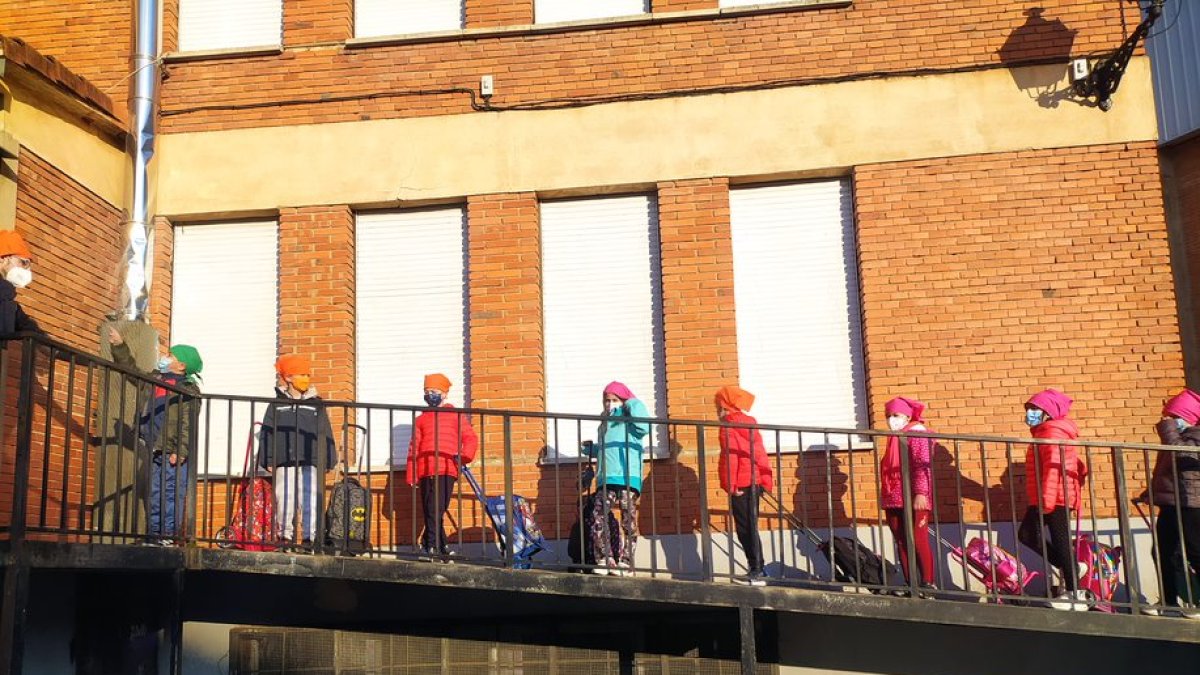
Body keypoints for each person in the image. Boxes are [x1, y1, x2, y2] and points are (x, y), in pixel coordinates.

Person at [110, 328, 202, 545]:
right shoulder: (155, 379)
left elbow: (188, 423)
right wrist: (119, 345)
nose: (165, 357)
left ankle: (168, 535)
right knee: (155, 491)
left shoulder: (187, 389)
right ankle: (154, 533)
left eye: (171, 355)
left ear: (182, 366)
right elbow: (131, 370)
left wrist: (181, 450)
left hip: (172, 449)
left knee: (171, 492)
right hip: (154, 445)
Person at [1017, 388, 1089, 611]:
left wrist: (1046, 501)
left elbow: (1053, 469)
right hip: (1049, 495)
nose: (1029, 413)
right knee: (1028, 534)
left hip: (1055, 496)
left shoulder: (1051, 432)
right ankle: (1072, 567)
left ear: (1048, 412)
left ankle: (1076, 595)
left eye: (1034, 409)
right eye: (1028, 409)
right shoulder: (1046, 431)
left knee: (1060, 540)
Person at [258, 354, 337, 550]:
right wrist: (267, 458)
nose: (306, 378)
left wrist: (329, 458)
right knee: (285, 498)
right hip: (285, 459)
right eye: (302, 374)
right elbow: (268, 431)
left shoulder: (316, 403)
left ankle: (310, 538)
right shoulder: (276, 404)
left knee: (310, 497)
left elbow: (326, 431)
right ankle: (285, 537)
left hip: (311, 459)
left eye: (307, 374)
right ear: (289, 377)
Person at [406, 373, 477, 558]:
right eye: (427, 391)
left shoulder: (455, 415)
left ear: (444, 394)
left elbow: (470, 438)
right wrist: (412, 474)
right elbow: (414, 448)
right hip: (425, 469)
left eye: (435, 391)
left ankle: (430, 545)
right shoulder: (420, 420)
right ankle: (440, 547)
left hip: (446, 468)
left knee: (436, 508)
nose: (431, 394)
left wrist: (463, 456)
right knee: (431, 509)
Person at [1143, 389, 1200, 618]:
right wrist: (1151, 491)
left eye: (1173, 415)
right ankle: (1168, 601)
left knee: (1196, 551)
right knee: (1162, 551)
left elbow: (1182, 455)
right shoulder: (1174, 437)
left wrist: (1169, 430)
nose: (1167, 420)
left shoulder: (1195, 435)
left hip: (1191, 503)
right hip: (1170, 502)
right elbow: (1166, 471)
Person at [583, 381, 649, 576]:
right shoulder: (603, 423)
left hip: (628, 476)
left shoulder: (631, 418)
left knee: (628, 520)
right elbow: (607, 449)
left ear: (623, 401)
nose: (610, 404)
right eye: (607, 400)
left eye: (615, 400)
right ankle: (605, 559)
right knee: (598, 515)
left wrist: (631, 402)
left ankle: (627, 563)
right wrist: (591, 450)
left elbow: (644, 426)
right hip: (607, 477)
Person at [715, 385, 773, 586]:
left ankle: (757, 570)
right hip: (754, 482)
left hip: (740, 484)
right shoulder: (749, 424)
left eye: (718, 406)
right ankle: (758, 569)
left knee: (744, 528)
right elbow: (760, 453)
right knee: (751, 526)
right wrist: (766, 480)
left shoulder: (728, 426)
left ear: (724, 407)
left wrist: (730, 485)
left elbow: (730, 458)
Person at [880, 396, 935, 597]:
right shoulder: (894, 438)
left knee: (918, 539)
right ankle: (911, 583)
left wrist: (921, 493)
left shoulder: (916, 434)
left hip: (913, 495)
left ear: (907, 416)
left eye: (895, 415)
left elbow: (922, 465)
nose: (891, 419)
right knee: (901, 540)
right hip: (893, 497)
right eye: (888, 416)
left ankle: (928, 583)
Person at [0, 230, 42, 335]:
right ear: (2, 259)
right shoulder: (4, 293)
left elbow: (32, 331)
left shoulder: (11, 305)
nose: (26, 270)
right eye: (23, 262)